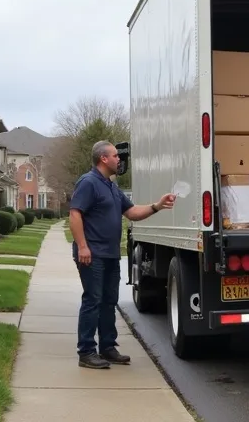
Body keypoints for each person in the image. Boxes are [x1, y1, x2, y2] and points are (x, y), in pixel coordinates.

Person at [68, 140, 176, 369]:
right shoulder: (88, 183)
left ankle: (107, 348)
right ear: (103, 159)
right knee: (92, 300)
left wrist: (157, 205)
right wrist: (83, 246)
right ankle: (86, 351)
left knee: (109, 301)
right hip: (92, 254)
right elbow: (75, 214)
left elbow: (133, 212)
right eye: (116, 156)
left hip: (110, 255)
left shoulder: (111, 186)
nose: (120, 159)